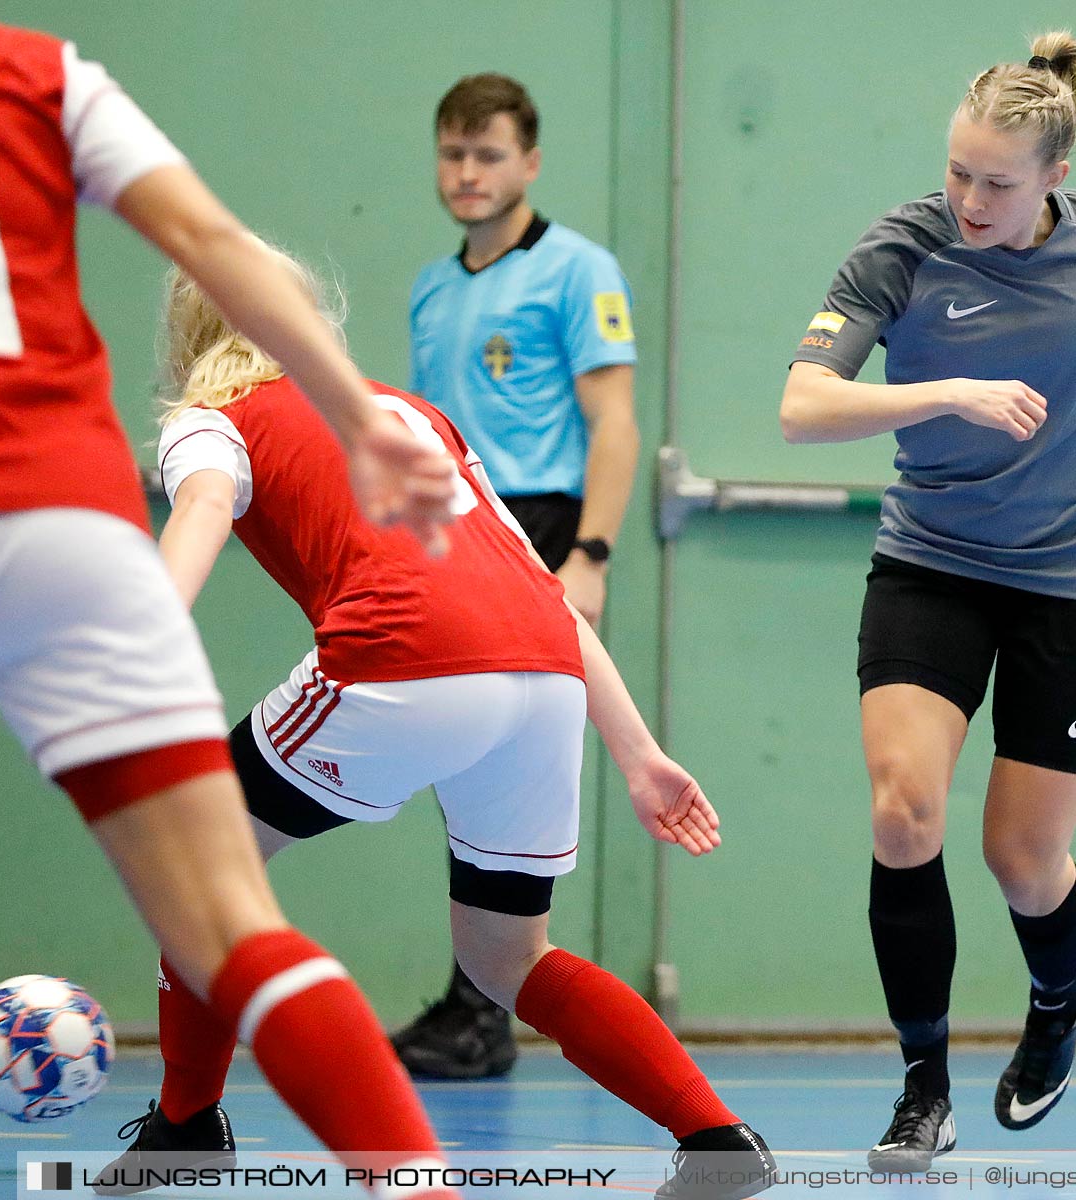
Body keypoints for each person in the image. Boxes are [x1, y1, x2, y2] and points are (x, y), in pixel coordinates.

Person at [0, 5, 461, 1199]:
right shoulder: (36, 70)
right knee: (230, 922)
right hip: (70, 518)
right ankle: (417, 1184)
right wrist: (361, 416)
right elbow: (215, 241)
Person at [96, 251, 775, 1200]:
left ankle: (186, 1130)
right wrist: (638, 751)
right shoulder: (410, 412)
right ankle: (714, 1139)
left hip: (403, 657)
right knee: (507, 957)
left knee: (193, 869)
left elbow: (204, 504)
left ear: (184, 336)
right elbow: (540, 587)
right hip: (543, 674)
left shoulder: (211, 422)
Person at [779, 31, 1076, 1173]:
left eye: (995, 182)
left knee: (1019, 859)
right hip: (934, 561)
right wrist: (943, 389)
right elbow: (803, 405)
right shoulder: (905, 248)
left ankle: (1056, 1000)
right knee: (904, 810)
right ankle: (922, 1085)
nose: (967, 198)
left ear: (1054, 173)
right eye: (956, 171)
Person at [401, 71, 641, 1079]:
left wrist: (587, 554)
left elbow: (614, 424)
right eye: (452, 153)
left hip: (538, 528)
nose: (467, 173)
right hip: (449, 539)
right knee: (462, 767)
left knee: (515, 778)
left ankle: (485, 1004)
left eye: (487, 154)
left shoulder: (578, 271)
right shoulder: (430, 285)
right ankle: (478, 999)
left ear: (528, 163)